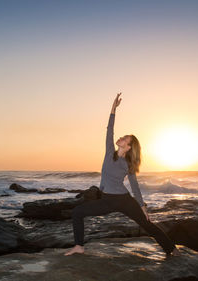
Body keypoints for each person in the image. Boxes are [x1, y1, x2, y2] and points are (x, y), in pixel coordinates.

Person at [64, 92, 181, 257]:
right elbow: (110, 128)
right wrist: (113, 108)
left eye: (125, 138)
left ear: (128, 147)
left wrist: (143, 207)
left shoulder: (128, 164)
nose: (120, 137)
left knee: (146, 224)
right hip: (106, 200)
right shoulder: (109, 151)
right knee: (77, 212)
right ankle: (79, 246)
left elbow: (135, 186)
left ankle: (172, 249)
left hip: (124, 200)